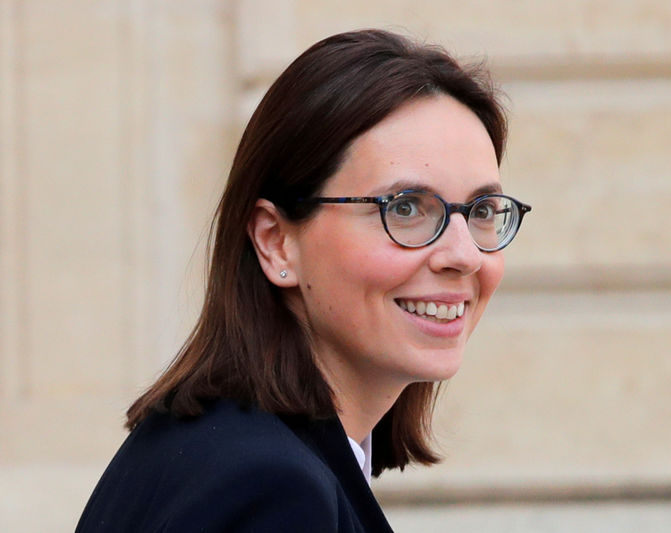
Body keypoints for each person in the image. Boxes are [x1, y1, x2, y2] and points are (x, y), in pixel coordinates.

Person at [76, 28, 530, 532]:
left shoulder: (219, 446)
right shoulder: (273, 488)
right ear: (275, 241)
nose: (464, 255)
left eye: (483, 210)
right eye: (405, 208)